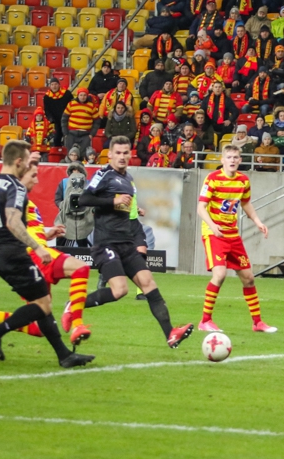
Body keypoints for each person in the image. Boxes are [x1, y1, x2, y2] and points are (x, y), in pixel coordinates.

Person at [0, 140, 93, 368]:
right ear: (18, 161)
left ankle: (64, 355)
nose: (29, 167)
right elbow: (13, 221)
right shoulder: (15, 187)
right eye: (27, 162)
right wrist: (36, 246)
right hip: (15, 254)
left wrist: (3, 234)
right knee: (43, 305)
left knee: (41, 303)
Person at [72, 136, 194, 348]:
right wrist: (113, 201)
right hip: (107, 243)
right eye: (118, 153)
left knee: (149, 284)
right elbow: (83, 199)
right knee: (119, 290)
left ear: (130, 155)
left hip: (126, 242)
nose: (122, 157)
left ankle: (171, 334)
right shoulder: (103, 174)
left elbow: (121, 207)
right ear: (110, 154)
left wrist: (131, 208)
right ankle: (73, 306)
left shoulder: (128, 179)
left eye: (125, 153)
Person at [196, 144, 277, 333]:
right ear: (222, 160)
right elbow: (201, 207)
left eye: (235, 157)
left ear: (240, 160)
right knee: (220, 274)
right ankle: (205, 321)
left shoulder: (243, 181)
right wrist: (212, 225)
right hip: (214, 233)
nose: (232, 160)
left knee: (248, 278)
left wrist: (258, 222)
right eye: (229, 157)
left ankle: (257, 323)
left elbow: (246, 203)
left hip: (232, 234)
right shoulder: (213, 178)